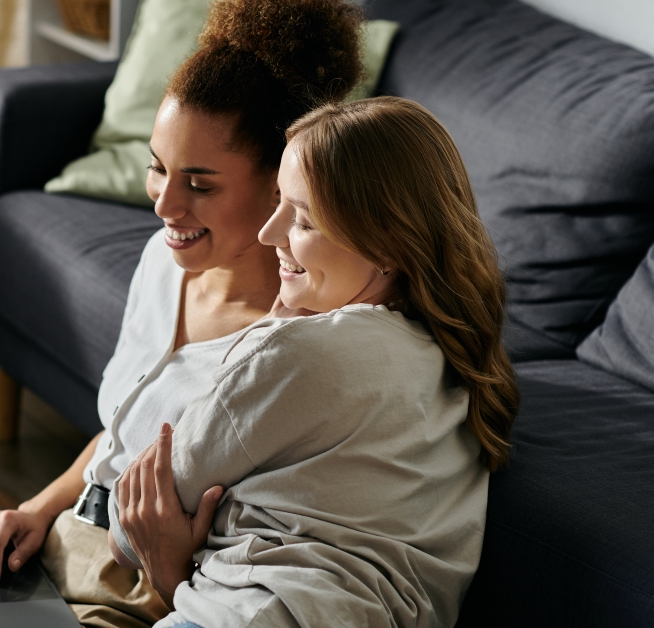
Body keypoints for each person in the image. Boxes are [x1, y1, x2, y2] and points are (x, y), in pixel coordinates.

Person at [0, 1, 366, 627]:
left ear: (281, 184)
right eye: (157, 167)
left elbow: (252, 569)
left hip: (143, 595)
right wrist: (35, 511)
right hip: (59, 543)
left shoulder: (291, 347)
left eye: (200, 185)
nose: (164, 205)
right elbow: (123, 436)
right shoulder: (162, 261)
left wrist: (169, 577)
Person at [112, 97, 520, 627]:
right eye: (279, 202)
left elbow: (127, 531)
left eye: (302, 220)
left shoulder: (299, 354)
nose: (269, 233)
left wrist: (266, 335)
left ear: (387, 243)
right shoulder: (457, 360)